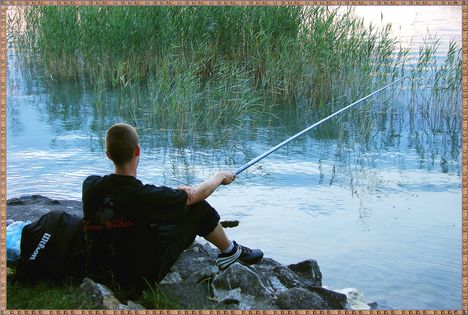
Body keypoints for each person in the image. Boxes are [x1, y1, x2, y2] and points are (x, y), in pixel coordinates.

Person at [82, 123, 263, 294]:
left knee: (151, 218)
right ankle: (230, 251)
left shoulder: (90, 185)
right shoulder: (143, 196)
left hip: (97, 271)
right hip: (136, 281)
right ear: (137, 151)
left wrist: (173, 193)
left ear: (108, 154)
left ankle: (229, 251)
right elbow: (197, 196)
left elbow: (132, 197)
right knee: (198, 209)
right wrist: (219, 177)